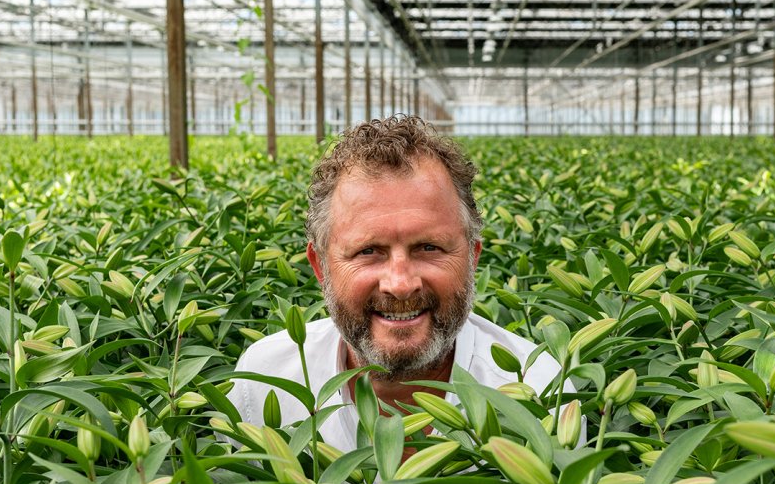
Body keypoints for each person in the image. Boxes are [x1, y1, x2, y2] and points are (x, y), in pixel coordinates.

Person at [227, 115, 563, 452]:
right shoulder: (264, 380)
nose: (400, 284)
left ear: (472, 259)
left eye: (429, 248)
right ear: (321, 267)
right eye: (368, 251)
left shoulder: (539, 391)